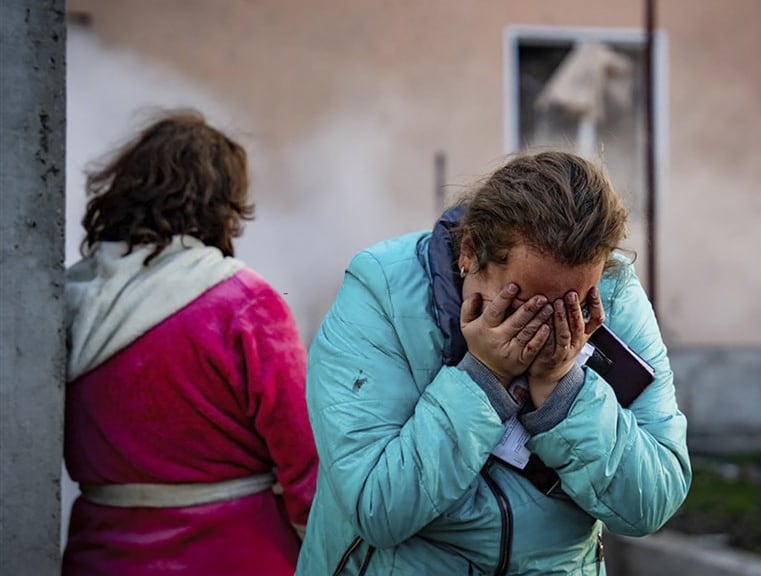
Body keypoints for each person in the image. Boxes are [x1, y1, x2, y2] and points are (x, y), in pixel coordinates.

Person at [298, 151, 691, 575]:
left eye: (569, 307)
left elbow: (653, 501)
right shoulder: (382, 290)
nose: (546, 329)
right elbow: (375, 507)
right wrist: (483, 378)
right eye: (525, 304)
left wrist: (565, 390)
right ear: (469, 252)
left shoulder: (612, 293)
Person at [62, 111, 318, 575]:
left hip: (101, 557)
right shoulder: (244, 301)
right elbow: (304, 458)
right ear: (222, 203)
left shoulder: (67, 300)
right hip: (236, 555)